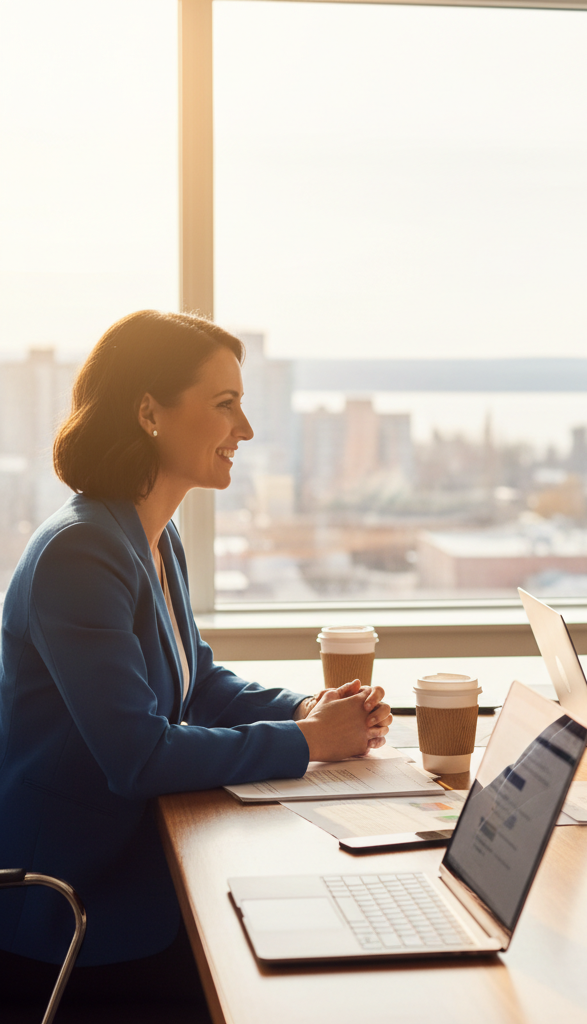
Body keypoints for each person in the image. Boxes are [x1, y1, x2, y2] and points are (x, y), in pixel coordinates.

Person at [0, 311, 393, 1009]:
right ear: (149, 411)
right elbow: (139, 757)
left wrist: (307, 709)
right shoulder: (80, 553)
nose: (244, 430)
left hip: (143, 864)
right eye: (225, 405)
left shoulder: (151, 536)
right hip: (76, 909)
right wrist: (308, 743)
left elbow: (197, 683)